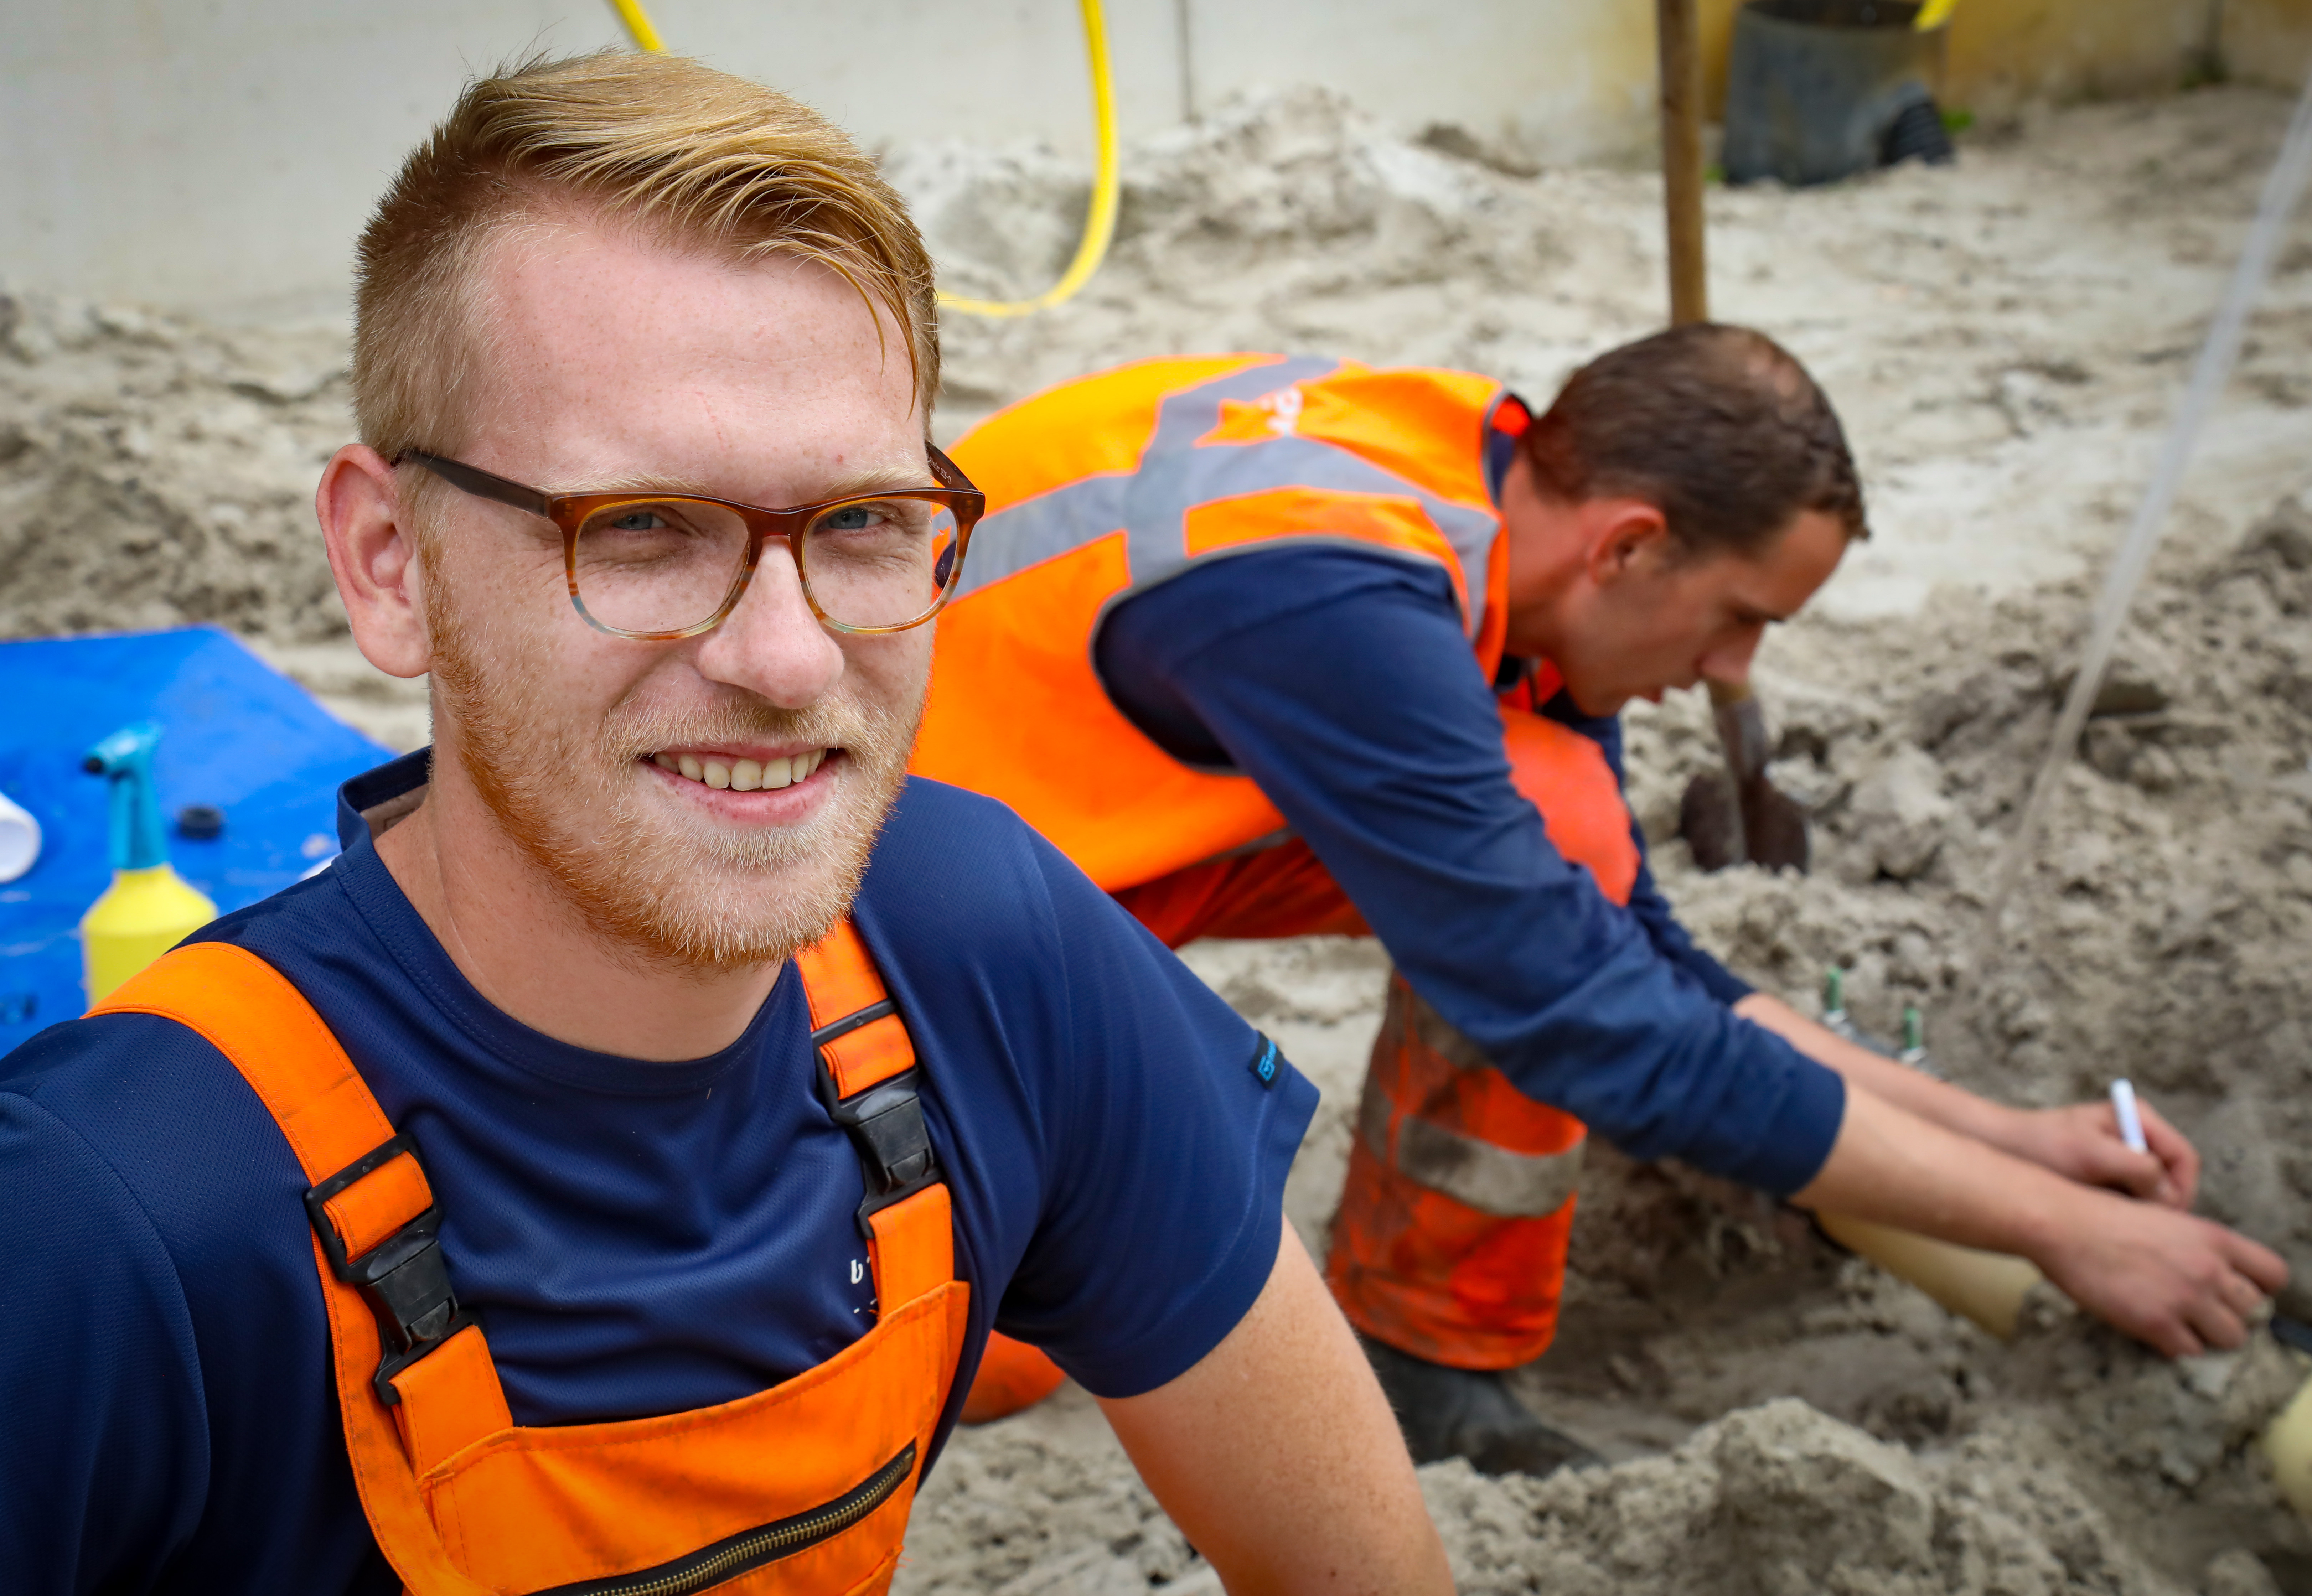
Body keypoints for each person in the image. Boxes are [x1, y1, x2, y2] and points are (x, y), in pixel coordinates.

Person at [0, 53, 1454, 1594]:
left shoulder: (990, 962)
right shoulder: (93, 1231)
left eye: (858, 521)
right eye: (641, 528)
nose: (787, 659)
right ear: (390, 562)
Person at [911, 336, 2292, 1473]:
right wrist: (2068, 1233)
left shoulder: (1506, 512)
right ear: (1631, 545)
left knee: (1553, 850)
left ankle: (1426, 1357)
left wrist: (2012, 1142)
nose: (1728, 672)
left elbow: (1632, 960)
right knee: (1003, 1357)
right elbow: (1601, 1030)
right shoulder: (1338, 595)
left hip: (1050, 852)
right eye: (1740, 617)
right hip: (858, 912)